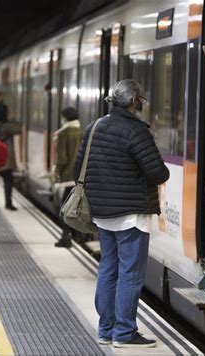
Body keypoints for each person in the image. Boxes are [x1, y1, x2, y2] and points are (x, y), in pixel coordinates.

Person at [74, 79, 170, 348]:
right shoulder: (136, 131)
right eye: (141, 100)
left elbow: (77, 170)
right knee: (130, 273)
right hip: (131, 215)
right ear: (133, 101)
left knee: (108, 269)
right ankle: (125, 333)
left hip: (102, 214)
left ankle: (106, 329)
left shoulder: (95, 127)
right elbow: (158, 173)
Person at [53, 107, 82, 248]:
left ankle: (66, 237)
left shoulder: (63, 134)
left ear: (64, 118)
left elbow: (62, 158)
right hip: (80, 177)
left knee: (64, 209)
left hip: (68, 177)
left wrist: (56, 172)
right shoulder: (82, 132)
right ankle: (77, 236)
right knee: (76, 208)